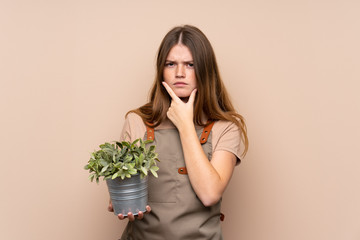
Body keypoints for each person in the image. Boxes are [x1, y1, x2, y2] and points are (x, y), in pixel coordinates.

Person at [108, 25, 249, 240]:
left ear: (205, 70)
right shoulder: (137, 122)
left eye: (190, 65)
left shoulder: (226, 127)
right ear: (161, 69)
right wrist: (120, 197)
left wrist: (184, 125)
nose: (180, 73)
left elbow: (210, 194)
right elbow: (125, 191)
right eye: (171, 64)